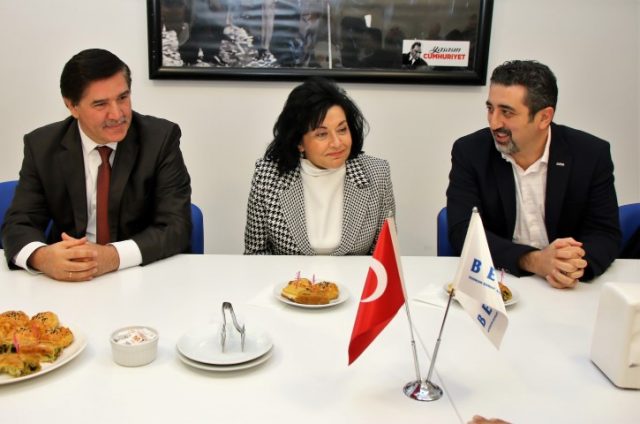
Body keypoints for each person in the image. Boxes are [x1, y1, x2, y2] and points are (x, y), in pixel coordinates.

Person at [1, 48, 192, 282]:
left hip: (140, 275)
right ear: (72, 106)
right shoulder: (42, 146)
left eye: (123, 98)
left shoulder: (160, 139)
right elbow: (19, 223)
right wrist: (42, 258)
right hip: (68, 281)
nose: (117, 114)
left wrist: (112, 257)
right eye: (100, 104)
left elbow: (176, 227)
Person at [446, 60, 620, 288]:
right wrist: (534, 261)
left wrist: (570, 266)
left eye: (507, 112)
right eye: (490, 109)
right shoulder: (470, 152)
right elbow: (463, 232)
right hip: (500, 280)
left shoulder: (590, 154)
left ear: (544, 117)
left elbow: (604, 233)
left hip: (568, 288)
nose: (494, 122)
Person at [244, 77, 395, 255]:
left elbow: (384, 256)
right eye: (322, 134)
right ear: (299, 142)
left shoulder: (377, 174)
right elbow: (256, 254)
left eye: (342, 129)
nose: (337, 143)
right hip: (289, 275)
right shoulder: (267, 176)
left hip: (358, 275)